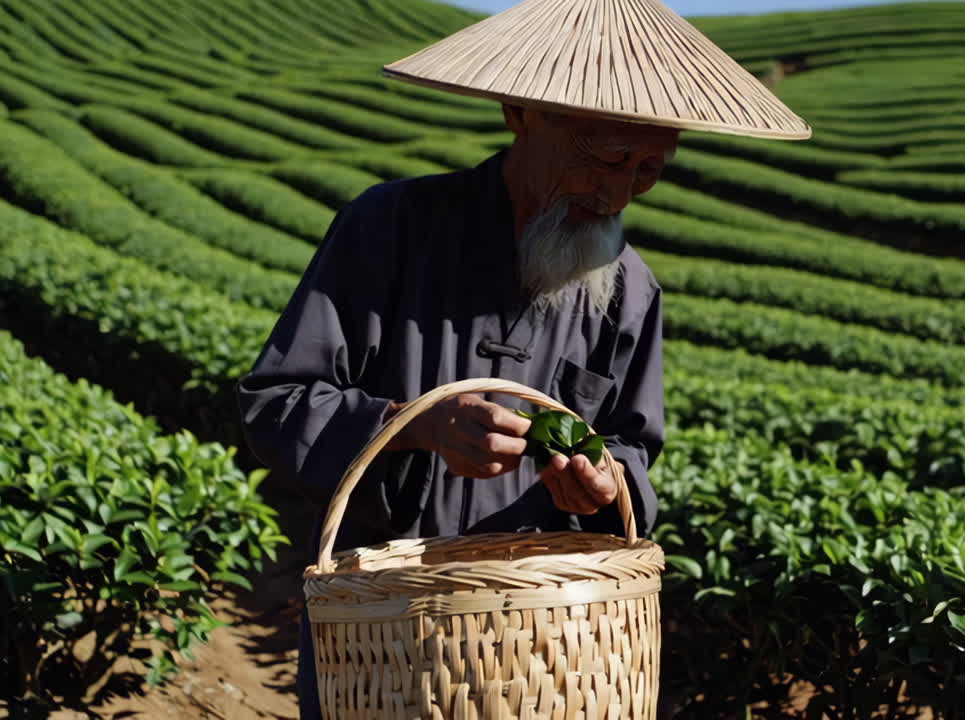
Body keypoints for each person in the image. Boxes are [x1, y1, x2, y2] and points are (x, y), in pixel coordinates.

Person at [235, 0, 809, 716]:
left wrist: (602, 483)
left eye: (647, 170)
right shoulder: (390, 229)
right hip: (384, 628)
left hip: (548, 647)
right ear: (521, 114)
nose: (617, 193)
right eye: (604, 158)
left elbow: (633, 452)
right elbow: (276, 404)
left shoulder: (630, 289)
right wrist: (417, 424)